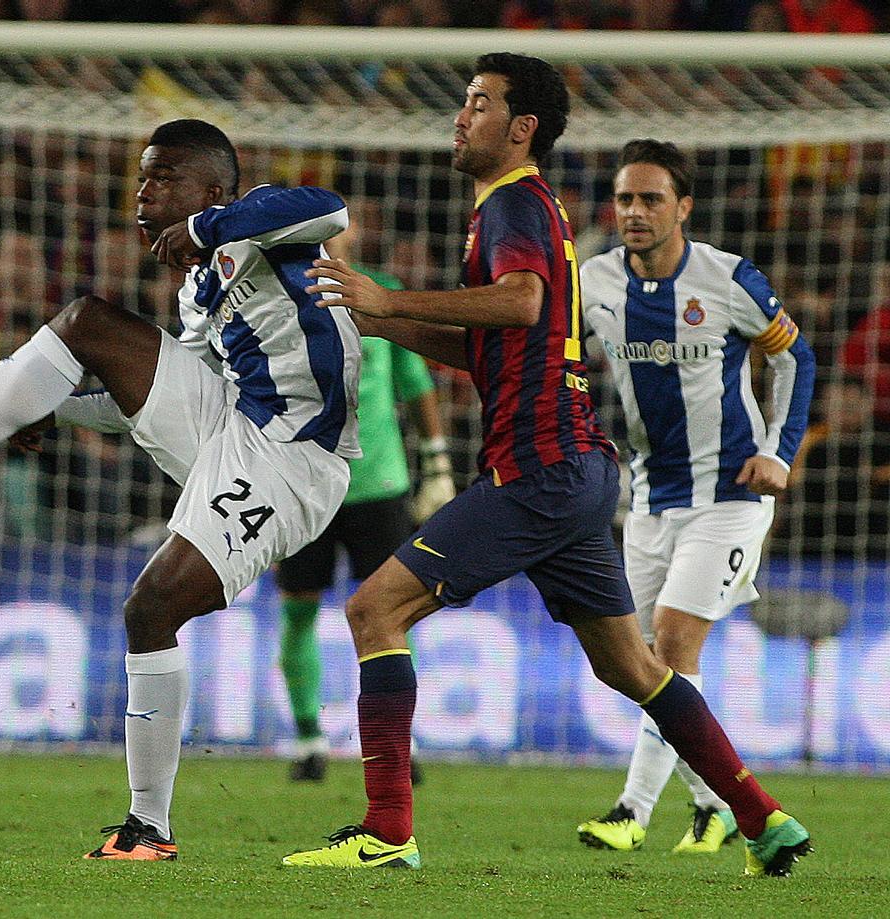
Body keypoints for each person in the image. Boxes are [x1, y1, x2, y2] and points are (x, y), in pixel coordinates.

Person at [282, 52, 812, 877]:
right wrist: (387, 323)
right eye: (464, 101)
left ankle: (387, 831)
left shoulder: (514, 204)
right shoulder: (521, 209)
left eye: (479, 103)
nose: (462, 116)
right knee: (633, 665)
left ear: (521, 127)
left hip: (537, 467)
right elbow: (494, 340)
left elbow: (523, 301)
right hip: (577, 467)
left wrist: (391, 297)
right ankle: (764, 818)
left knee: (372, 613)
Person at [0, 119, 361, 861]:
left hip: (296, 458)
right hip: (233, 423)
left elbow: (332, 207)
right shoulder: (197, 291)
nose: (143, 192)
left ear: (212, 190)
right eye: (141, 177)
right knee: (87, 323)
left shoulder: (268, 221)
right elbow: (155, 396)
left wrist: (207, 224)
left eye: (162, 178)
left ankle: (148, 826)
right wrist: (45, 408)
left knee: (151, 607)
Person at [574, 139, 816, 855]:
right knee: (636, 661)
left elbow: (793, 355)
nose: (635, 212)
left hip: (731, 494)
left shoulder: (729, 278)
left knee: (674, 642)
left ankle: (631, 808)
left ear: (683, 207)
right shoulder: (595, 281)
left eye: (651, 199)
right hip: (647, 496)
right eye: (625, 199)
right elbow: (566, 355)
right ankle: (711, 802)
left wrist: (779, 450)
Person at [274, 204, 455, 782]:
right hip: (306, 486)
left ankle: (401, 743)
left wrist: (438, 462)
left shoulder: (385, 294)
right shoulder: (278, 301)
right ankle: (308, 740)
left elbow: (416, 385)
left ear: (353, 234)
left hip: (380, 485)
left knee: (393, 616)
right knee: (298, 611)